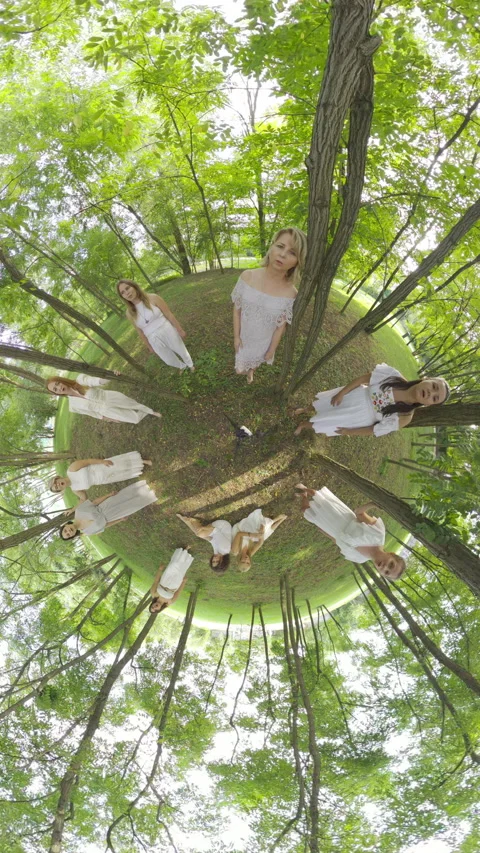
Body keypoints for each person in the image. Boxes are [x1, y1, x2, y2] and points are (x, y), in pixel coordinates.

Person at [231, 227, 307, 383]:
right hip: (245, 336)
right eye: (280, 246)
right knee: (239, 369)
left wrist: (271, 350)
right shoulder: (247, 276)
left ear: (298, 261)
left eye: (292, 252)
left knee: (256, 361)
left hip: (263, 341)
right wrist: (236, 337)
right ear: (272, 246)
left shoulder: (292, 294)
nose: (283, 254)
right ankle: (247, 369)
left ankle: (252, 370)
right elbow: (237, 309)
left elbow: (281, 326)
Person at [293, 364, 449, 437]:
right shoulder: (394, 377)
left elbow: (374, 429)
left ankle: (303, 425)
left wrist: (349, 431)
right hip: (354, 396)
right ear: (427, 379)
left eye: (435, 398)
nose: (430, 393)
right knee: (325, 404)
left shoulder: (405, 417)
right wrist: (342, 392)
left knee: (326, 422)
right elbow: (364, 378)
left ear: (430, 404)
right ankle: (305, 410)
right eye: (434, 386)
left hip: (356, 418)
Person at [295, 484, 405, 579]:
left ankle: (303, 496)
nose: (385, 567)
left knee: (306, 511)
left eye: (386, 572)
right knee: (318, 497)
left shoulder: (358, 558)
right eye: (391, 565)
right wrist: (373, 504)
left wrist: (326, 533)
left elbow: (338, 541)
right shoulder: (378, 534)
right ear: (392, 554)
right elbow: (359, 513)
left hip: (330, 527)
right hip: (341, 515)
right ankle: (305, 489)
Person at [117, 279, 194, 371]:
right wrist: (149, 346)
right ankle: (182, 366)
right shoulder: (129, 313)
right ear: (122, 297)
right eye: (123, 292)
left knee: (180, 349)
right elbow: (140, 331)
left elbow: (168, 314)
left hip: (166, 329)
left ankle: (190, 364)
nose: (127, 293)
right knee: (168, 359)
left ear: (134, 286)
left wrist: (180, 330)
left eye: (127, 288)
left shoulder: (153, 298)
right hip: (152, 338)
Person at [59, 480, 157, 539]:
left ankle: (143, 487)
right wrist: (119, 520)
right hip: (111, 516)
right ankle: (150, 496)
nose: (69, 532)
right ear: (72, 536)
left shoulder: (79, 512)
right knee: (131, 506)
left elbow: (95, 503)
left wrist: (109, 495)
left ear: (66, 525)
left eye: (65, 530)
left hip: (106, 505)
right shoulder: (88, 532)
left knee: (125, 496)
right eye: (68, 535)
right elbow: (105, 525)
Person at [46, 375, 162, 423]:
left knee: (133, 405)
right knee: (134, 419)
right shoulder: (72, 406)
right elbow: (92, 413)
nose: (59, 388)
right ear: (57, 394)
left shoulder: (79, 380)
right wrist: (109, 419)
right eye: (55, 389)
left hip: (109, 397)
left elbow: (95, 381)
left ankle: (151, 411)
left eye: (57, 384)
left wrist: (109, 376)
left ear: (60, 380)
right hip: (106, 411)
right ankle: (145, 412)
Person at [49, 452, 152, 503]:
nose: (58, 485)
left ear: (58, 478)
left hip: (101, 468)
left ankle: (142, 461)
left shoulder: (71, 470)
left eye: (56, 483)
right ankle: (138, 467)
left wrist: (102, 461)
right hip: (104, 480)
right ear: (61, 490)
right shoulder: (75, 490)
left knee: (121, 464)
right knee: (122, 474)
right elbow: (84, 498)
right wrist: (73, 509)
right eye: (57, 488)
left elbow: (87, 462)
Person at [149, 547, 194, 612]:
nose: (154, 607)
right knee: (181, 570)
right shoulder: (169, 602)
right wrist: (183, 582)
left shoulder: (154, 594)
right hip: (175, 585)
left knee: (173, 565)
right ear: (159, 609)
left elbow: (156, 581)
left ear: (152, 604)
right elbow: (178, 592)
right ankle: (186, 555)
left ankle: (184, 550)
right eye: (155, 609)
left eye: (152, 607)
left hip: (164, 581)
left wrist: (160, 570)